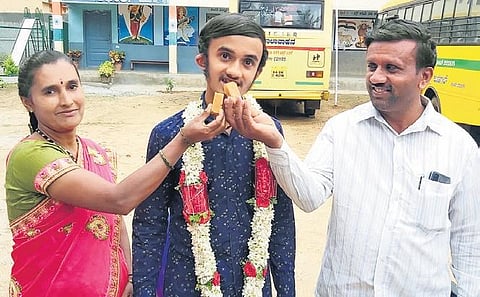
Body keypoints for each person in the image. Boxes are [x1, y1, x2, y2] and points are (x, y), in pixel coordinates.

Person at [223, 19, 480, 296]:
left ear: (424, 77)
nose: (376, 77)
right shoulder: (342, 129)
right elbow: (309, 196)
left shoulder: (458, 147)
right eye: (372, 66)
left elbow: (469, 241)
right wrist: (275, 142)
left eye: (391, 68)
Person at [5, 50, 225, 297]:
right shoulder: (30, 155)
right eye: (50, 91)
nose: (66, 100)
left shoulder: (95, 152)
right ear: (28, 101)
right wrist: (183, 140)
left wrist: (130, 274)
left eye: (72, 86)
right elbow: (119, 200)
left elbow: (114, 222)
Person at [132, 13, 296, 297]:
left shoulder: (269, 131)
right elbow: (150, 222)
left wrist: (286, 291)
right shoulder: (170, 133)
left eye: (248, 62)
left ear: (257, 72)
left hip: (252, 286)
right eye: (224, 56)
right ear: (202, 62)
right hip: (186, 284)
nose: (235, 71)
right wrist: (145, 291)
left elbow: (280, 219)